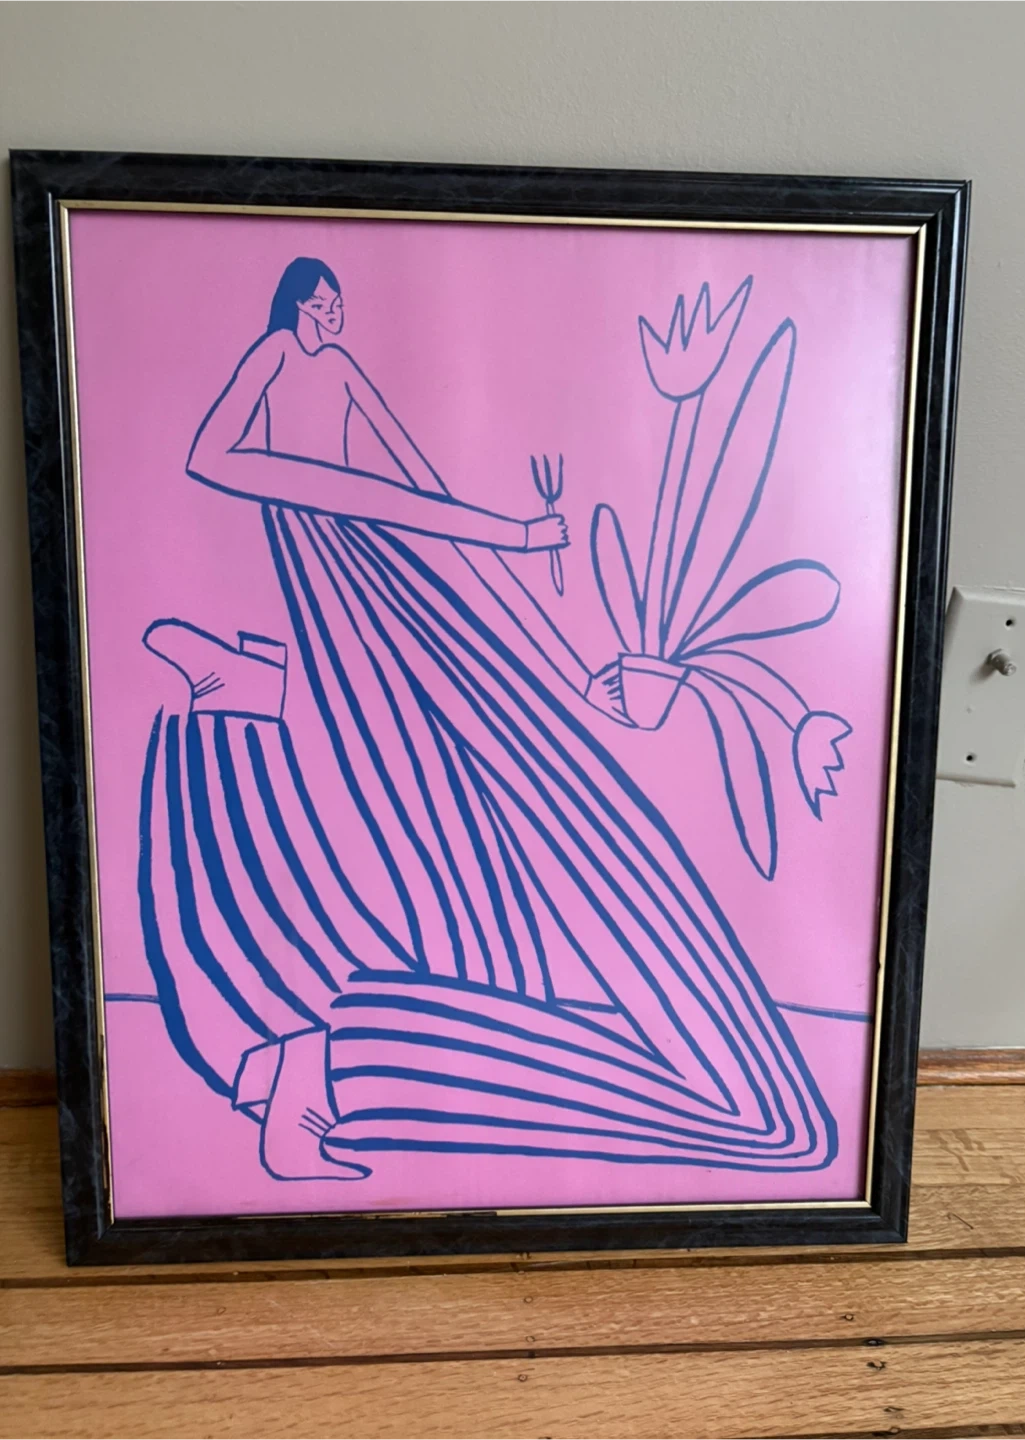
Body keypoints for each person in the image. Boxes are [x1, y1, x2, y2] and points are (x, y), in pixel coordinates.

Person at [139, 256, 835, 1185]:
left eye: (339, 303)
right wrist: (309, 485)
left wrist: (511, 538)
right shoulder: (272, 357)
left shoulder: (338, 368)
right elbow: (210, 457)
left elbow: (412, 478)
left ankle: (254, 684)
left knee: (446, 755)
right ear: (296, 306)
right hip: (328, 556)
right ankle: (310, 1074)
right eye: (323, 303)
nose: (334, 315)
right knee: (405, 757)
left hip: (380, 556)